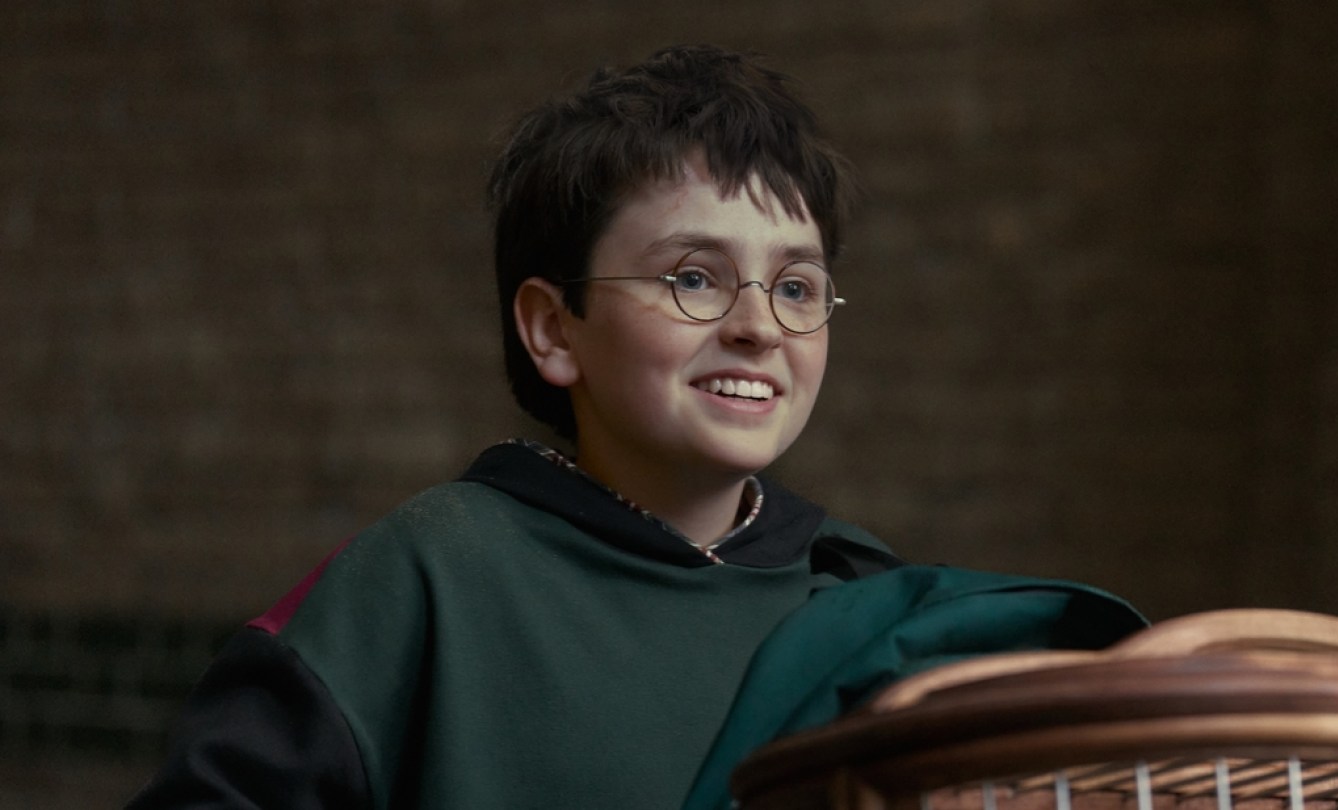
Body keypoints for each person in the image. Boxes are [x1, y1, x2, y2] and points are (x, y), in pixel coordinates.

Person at [127, 44, 1143, 810]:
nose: (757, 327)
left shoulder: (869, 605)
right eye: (694, 278)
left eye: (797, 287)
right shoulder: (429, 579)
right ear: (553, 328)